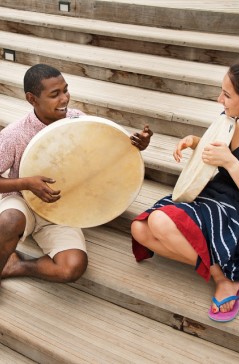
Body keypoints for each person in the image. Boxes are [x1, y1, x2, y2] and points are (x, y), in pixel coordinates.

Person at [131, 61, 239, 322]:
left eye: (227, 95)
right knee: (139, 229)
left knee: (160, 221)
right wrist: (195, 143)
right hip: (214, 197)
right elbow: (216, 148)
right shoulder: (232, 118)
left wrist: (230, 162)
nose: (220, 100)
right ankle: (229, 267)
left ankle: (224, 279)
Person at [0, 63, 153, 284]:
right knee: (8, 221)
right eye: (55, 94)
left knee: (72, 268)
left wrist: (133, 146)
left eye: (65, 90)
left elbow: (102, 157)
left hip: (63, 211)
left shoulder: (77, 120)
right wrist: (26, 183)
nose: (64, 99)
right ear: (32, 99)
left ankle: (16, 264)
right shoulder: (14, 134)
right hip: (22, 202)